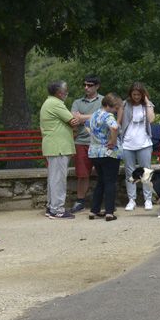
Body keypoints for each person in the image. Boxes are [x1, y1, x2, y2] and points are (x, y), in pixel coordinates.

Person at [40, 80, 78, 219]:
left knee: (53, 178)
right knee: (58, 179)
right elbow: (72, 120)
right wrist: (80, 118)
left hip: (54, 146)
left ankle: (51, 207)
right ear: (58, 92)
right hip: (59, 147)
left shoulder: (49, 102)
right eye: (65, 90)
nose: (66, 93)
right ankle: (57, 209)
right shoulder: (56, 103)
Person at [117, 82, 155, 212]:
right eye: (134, 94)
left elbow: (151, 119)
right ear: (130, 94)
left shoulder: (147, 105)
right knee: (130, 172)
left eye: (139, 94)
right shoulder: (124, 104)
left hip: (144, 143)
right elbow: (118, 122)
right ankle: (131, 199)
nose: (136, 97)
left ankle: (148, 199)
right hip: (128, 143)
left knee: (146, 171)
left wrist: (147, 101)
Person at [69, 74, 102, 213]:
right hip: (81, 141)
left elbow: (103, 116)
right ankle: (80, 200)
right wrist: (94, 116)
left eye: (89, 85)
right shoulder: (77, 102)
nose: (86, 88)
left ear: (97, 86)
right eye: (85, 85)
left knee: (103, 173)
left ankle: (101, 201)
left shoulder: (103, 100)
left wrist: (82, 117)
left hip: (100, 142)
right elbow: (72, 118)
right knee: (82, 174)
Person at [86, 93, 122, 221]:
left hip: (94, 152)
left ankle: (93, 210)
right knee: (110, 182)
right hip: (107, 152)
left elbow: (86, 125)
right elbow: (114, 127)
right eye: (115, 108)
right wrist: (113, 141)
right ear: (108, 106)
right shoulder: (108, 115)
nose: (116, 110)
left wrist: (95, 138)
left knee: (100, 181)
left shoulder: (95, 114)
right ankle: (109, 212)